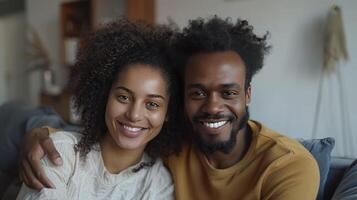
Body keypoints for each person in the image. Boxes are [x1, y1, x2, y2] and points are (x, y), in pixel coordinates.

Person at [19, 16, 320, 200]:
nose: (213, 106)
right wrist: (41, 132)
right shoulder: (175, 149)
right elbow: (99, 142)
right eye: (198, 92)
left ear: (248, 93)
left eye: (228, 92)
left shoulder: (289, 167)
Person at [16, 19, 180, 199]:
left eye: (152, 104)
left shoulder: (158, 184)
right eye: (123, 97)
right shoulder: (60, 153)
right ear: (105, 96)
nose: (134, 115)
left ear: (168, 113)